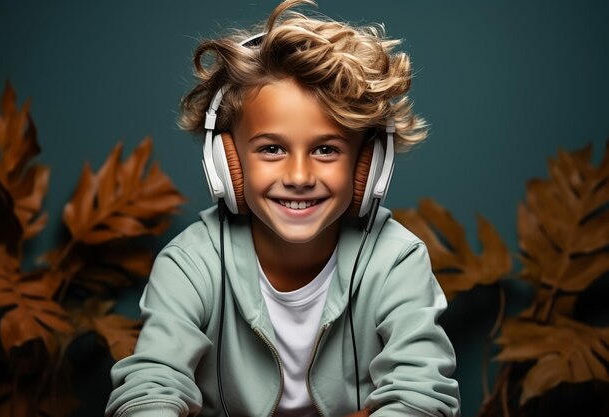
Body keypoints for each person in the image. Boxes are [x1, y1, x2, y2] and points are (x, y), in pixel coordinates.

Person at [105, 1, 460, 416]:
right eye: (271, 149)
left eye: (326, 150)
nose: (298, 175)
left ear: (368, 165)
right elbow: (150, 389)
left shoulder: (396, 260)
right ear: (227, 162)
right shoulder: (190, 263)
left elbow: (420, 396)